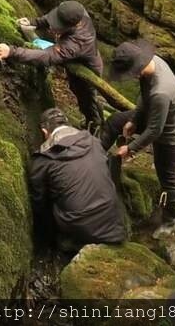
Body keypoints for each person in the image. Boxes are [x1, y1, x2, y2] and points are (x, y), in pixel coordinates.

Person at [101, 39, 175, 239]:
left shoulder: (161, 91)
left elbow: (154, 131)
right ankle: (95, 156)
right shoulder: (151, 64)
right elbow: (144, 96)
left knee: (167, 177)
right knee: (117, 121)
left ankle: (170, 220)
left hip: (171, 134)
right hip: (153, 115)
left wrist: (130, 149)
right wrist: (133, 120)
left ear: (137, 69)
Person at [0, 1, 103, 132]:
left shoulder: (78, 41)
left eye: (59, 26)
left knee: (86, 96)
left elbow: (47, 56)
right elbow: (52, 17)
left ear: (75, 24)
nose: (53, 27)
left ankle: (95, 123)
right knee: (74, 87)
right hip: (74, 61)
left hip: (87, 69)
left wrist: (11, 51)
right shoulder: (74, 10)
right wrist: (34, 22)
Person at [28, 108, 126, 255]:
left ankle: (66, 245)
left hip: (81, 232)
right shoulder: (94, 142)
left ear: (44, 132)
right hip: (114, 227)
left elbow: (39, 204)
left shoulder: (44, 159)